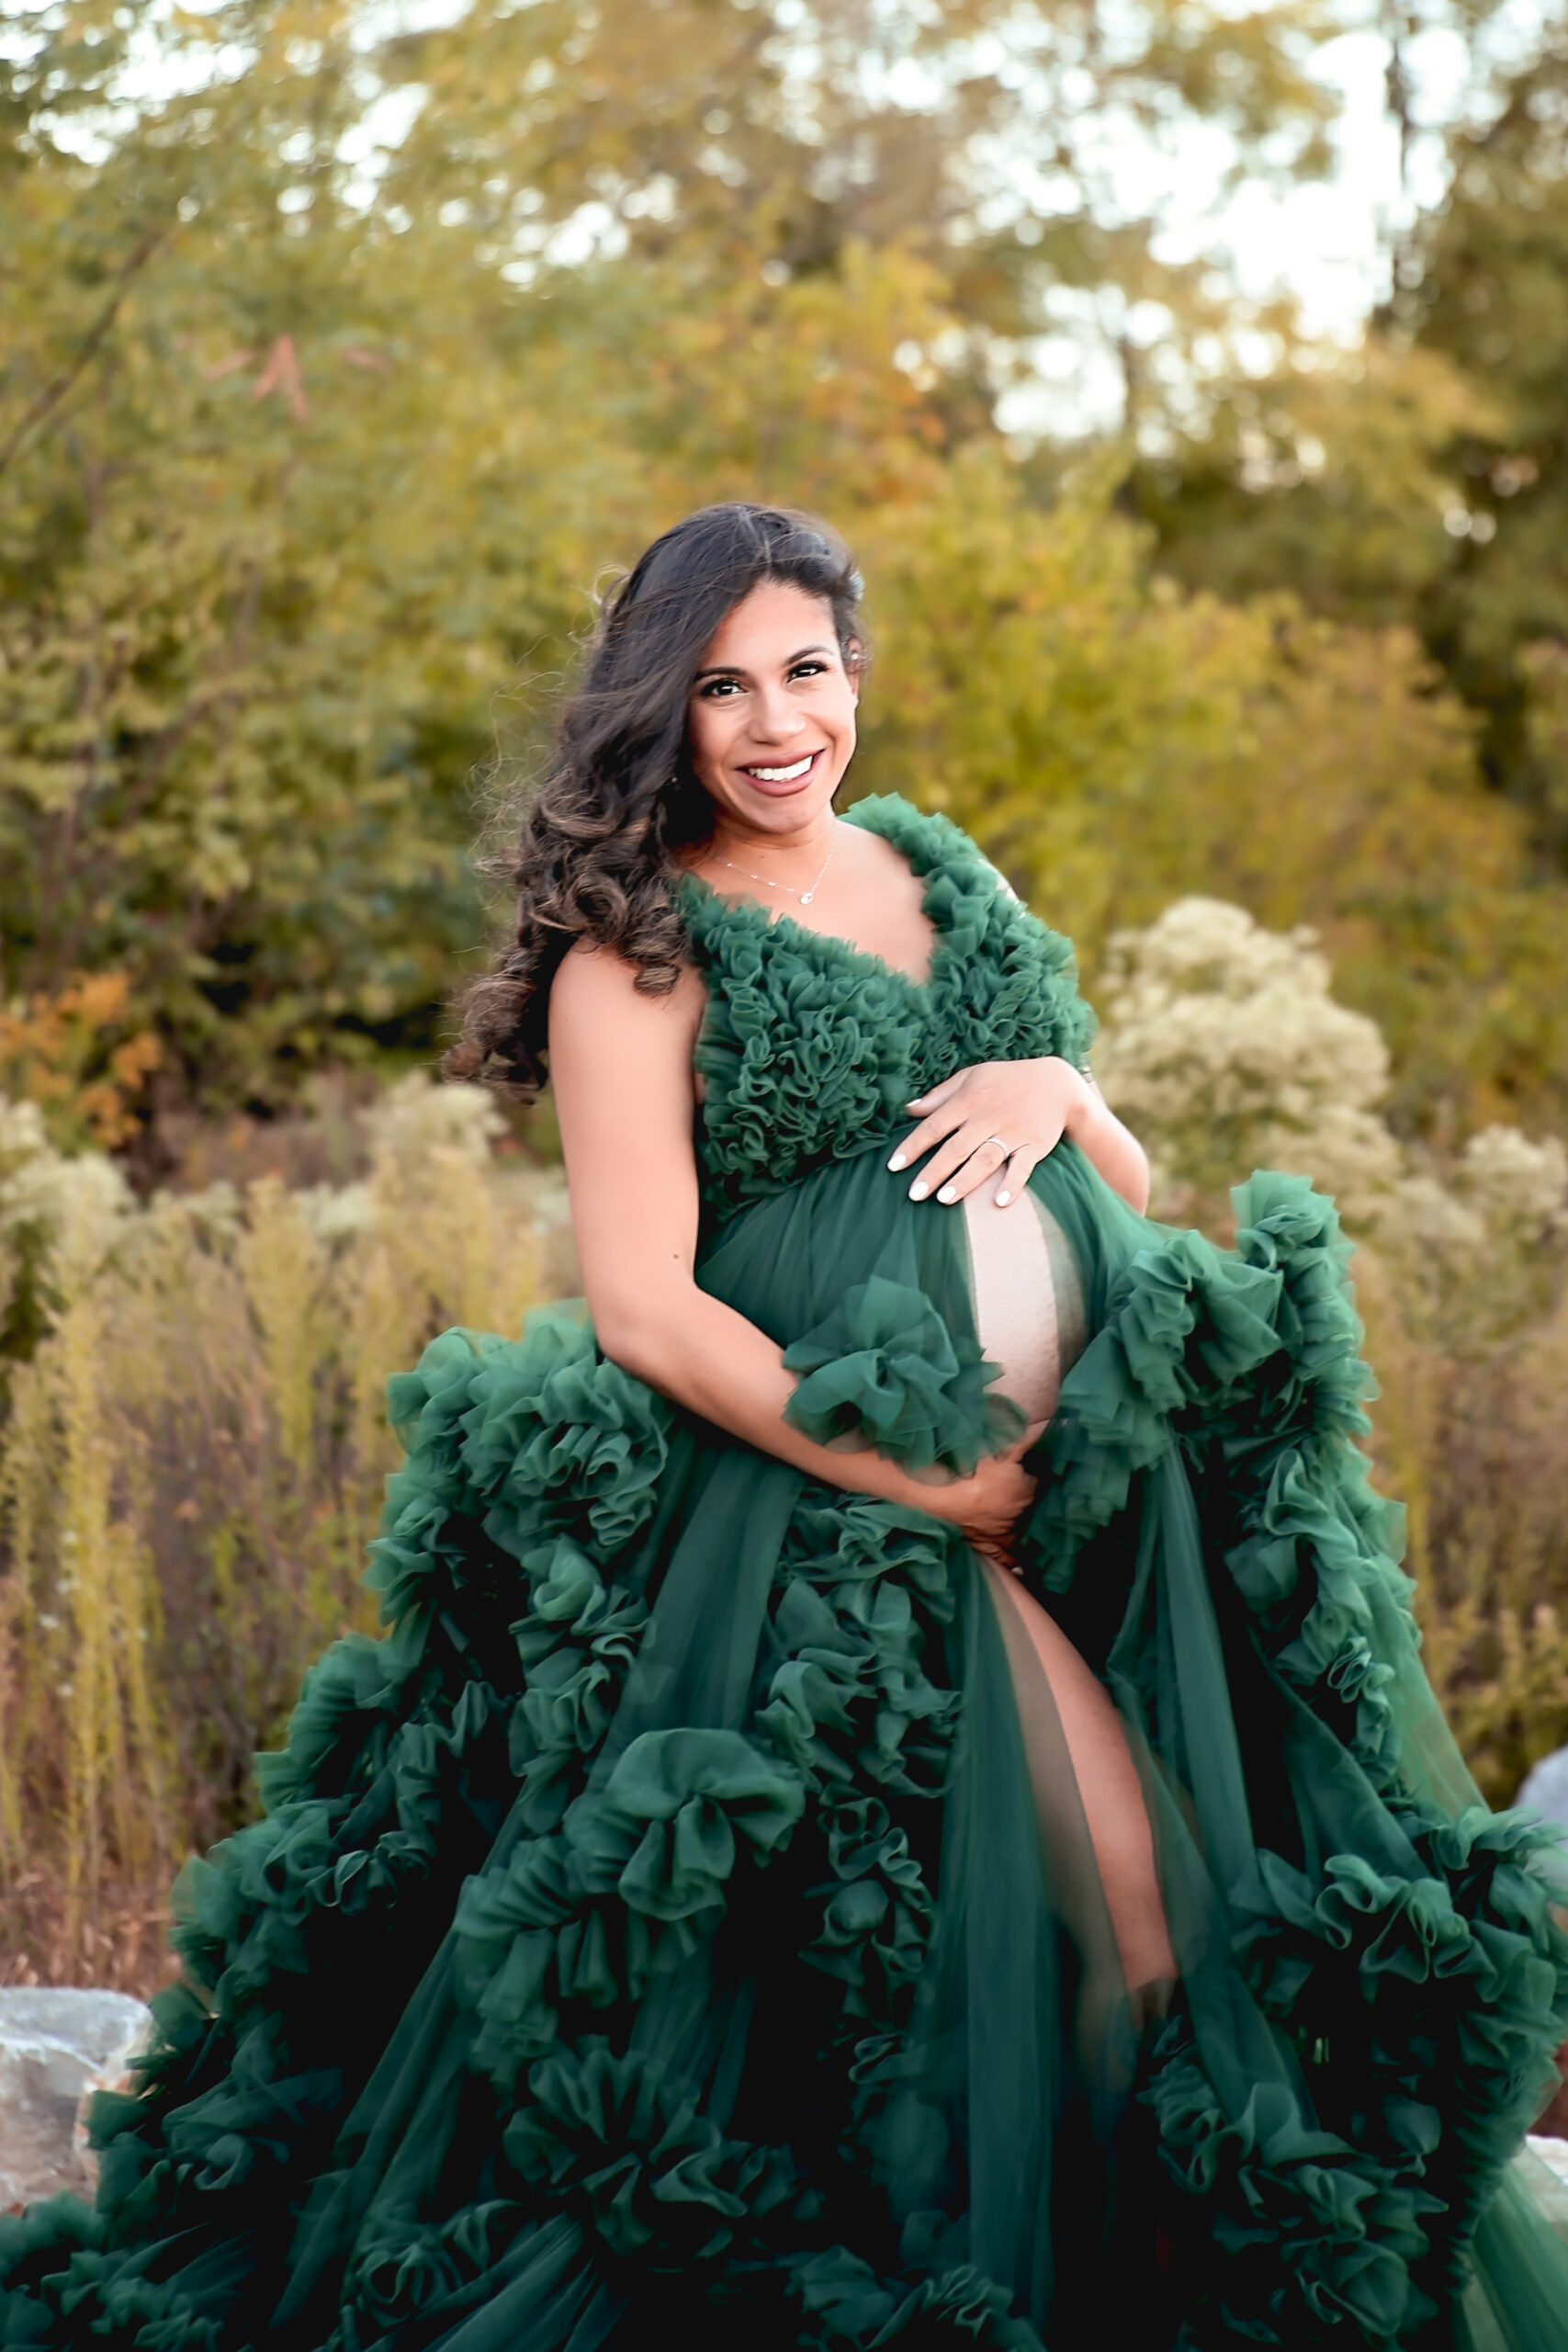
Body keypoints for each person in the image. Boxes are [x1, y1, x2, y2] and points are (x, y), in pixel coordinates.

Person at [3, 503, 1566, 2352]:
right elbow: (649, 1301)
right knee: (1090, 1928)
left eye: (802, 670)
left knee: (1173, 1928)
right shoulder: (637, 952)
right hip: (822, 1523)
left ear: (854, 669)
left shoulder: (937, 871)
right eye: (718, 684)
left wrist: (1058, 1081)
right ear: (658, 709)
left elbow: (1123, 1181)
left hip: (1085, 1504)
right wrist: (921, 1475)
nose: (769, 721)